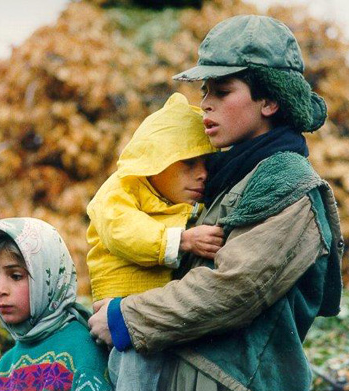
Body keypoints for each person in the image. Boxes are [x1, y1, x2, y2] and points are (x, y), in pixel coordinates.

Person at [88, 14, 344, 391]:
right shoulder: (229, 178)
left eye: (221, 91)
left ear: (270, 99)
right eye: (204, 90)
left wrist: (127, 316)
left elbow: (235, 287)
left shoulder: (291, 185)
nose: (205, 104)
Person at [85, 92, 222, 390]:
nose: (202, 175)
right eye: (188, 163)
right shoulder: (120, 188)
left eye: (207, 165)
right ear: (156, 159)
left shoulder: (178, 202)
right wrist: (181, 240)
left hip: (155, 320)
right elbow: (122, 231)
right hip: (123, 319)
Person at [0, 217, 112, 391]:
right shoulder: (5, 366)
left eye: (15, 276)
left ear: (49, 277)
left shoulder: (82, 353)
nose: (0, 289)